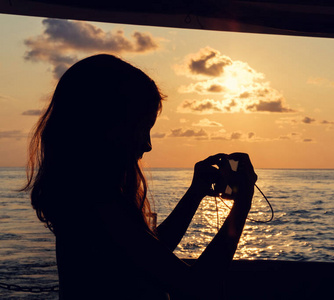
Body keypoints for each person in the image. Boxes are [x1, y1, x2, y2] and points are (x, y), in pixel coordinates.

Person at [22, 54, 257, 300]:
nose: (148, 145)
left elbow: (152, 250)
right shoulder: (99, 207)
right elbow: (198, 287)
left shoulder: (84, 200)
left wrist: (195, 193)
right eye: (142, 128)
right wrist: (242, 205)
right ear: (108, 126)